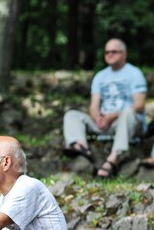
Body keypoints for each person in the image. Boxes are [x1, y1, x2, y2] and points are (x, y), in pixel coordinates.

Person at [62, 38, 147, 178]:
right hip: (106, 122)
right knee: (72, 115)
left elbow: (139, 105)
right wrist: (98, 118)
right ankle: (81, 146)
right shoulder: (100, 76)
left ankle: (113, 158)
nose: (110, 55)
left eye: (114, 52)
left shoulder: (135, 73)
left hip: (128, 122)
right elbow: (94, 105)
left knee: (128, 112)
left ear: (124, 54)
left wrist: (112, 116)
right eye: (107, 52)